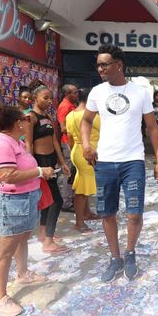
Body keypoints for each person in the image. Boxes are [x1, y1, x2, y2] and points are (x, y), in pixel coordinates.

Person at [81, 44, 158, 283]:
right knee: (107, 213)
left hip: (133, 162)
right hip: (105, 162)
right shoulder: (97, 92)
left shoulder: (140, 92)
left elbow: (152, 128)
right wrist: (87, 145)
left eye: (104, 64)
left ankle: (130, 253)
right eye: (98, 65)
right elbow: (86, 121)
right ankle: (115, 258)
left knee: (134, 213)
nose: (100, 69)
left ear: (119, 65)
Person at [0, 105, 55, 316]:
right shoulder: (1, 145)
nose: (28, 122)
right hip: (13, 200)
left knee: (22, 237)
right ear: (18, 123)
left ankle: (23, 273)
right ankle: (1, 297)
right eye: (25, 119)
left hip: (26, 198)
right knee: (7, 247)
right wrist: (40, 171)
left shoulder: (17, 142)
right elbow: (8, 175)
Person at [25, 80, 71, 255]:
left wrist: (63, 163)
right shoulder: (31, 117)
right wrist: (33, 168)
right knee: (55, 201)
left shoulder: (48, 117)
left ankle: (44, 235)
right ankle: (48, 242)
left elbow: (54, 142)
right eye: (45, 98)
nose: (49, 101)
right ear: (35, 98)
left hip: (51, 161)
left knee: (48, 201)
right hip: (40, 162)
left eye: (51, 98)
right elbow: (28, 143)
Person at [66, 88, 101, 233]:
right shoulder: (94, 116)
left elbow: (69, 138)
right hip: (89, 151)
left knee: (82, 184)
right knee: (82, 189)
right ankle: (79, 222)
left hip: (77, 151)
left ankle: (86, 213)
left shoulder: (70, 115)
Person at [56, 84, 79, 211]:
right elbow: (63, 127)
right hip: (68, 142)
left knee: (73, 171)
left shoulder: (71, 105)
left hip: (73, 142)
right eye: (74, 93)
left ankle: (70, 199)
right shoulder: (65, 107)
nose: (76, 95)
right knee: (68, 171)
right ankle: (66, 202)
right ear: (67, 94)